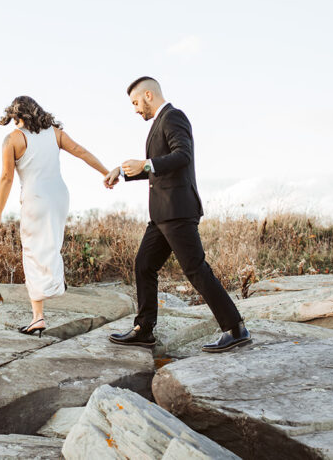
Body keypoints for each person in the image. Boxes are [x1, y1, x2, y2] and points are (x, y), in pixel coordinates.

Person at [104, 76, 251, 352]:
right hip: (161, 215)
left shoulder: (173, 117)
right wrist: (122, 172)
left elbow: (183, 155)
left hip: (178, 211)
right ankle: (144, 329)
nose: (135, 109)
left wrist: (146, 164)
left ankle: (235, 329)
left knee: (196, 269)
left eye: (136, 103)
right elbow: (156, 166)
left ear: (148, 95)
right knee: (144, 264)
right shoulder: (158, 123)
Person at [0, 96, 112, 337]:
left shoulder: (13, 139)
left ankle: (38, 316)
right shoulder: (55, 133)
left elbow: (7, 178)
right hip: (59, 196)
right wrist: (106, 173)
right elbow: (81, 151)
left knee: (32, 252)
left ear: (16, 115)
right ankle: (55, 281)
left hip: (36, 198)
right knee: (51, 245)